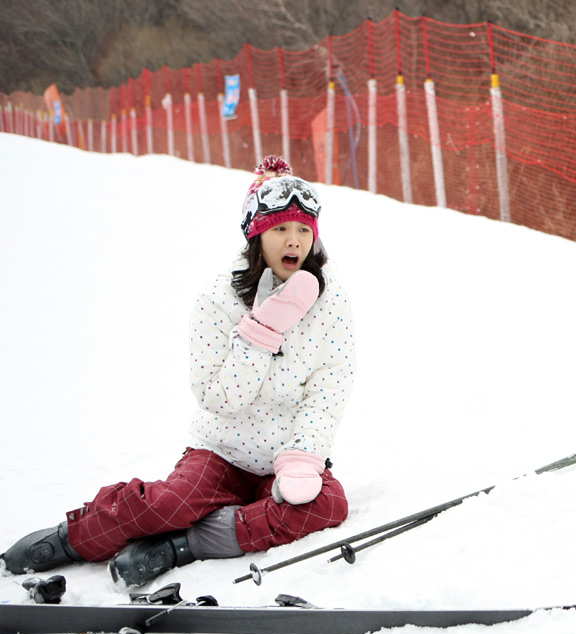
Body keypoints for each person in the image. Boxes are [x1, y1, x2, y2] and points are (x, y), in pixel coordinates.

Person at [2, 156, 356, 589]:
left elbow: (329, 388)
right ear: (256, 234)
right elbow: (218, 398)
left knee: (328, 505)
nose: (294, 241)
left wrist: (303, 456)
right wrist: (261, 333)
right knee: (171, 503)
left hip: (289, 458)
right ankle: (74, 538)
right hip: (222, 450)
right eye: (281, 228)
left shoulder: (330, 301)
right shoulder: (216, 300)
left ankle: (182, 544)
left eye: (304, 229)